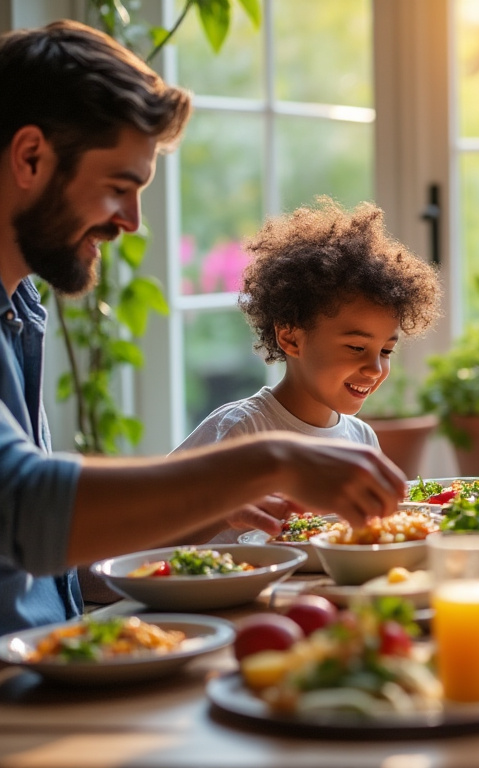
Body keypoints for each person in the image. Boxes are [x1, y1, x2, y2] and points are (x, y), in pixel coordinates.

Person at [0, 20, 405, 635]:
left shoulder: (20, 307)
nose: (131, 221)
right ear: (30, 157)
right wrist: (270, 459)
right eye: (119, 187)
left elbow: (53, 566)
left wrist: (207, 508)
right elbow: (23, 504)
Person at [177, 197, 440, 453]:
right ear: (291, 338)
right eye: (357, 347)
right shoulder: (240, 432)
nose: (375, 369)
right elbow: (165, 484)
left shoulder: (362, 440)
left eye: (386, 351)